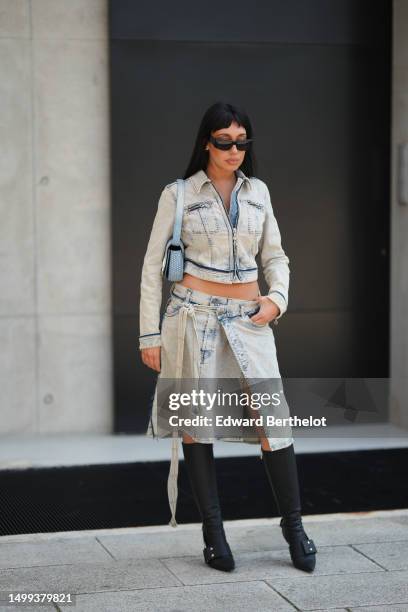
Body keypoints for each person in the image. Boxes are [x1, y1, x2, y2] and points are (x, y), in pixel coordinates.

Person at [138, 102, 317, 573]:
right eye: (224, 141)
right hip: (191, 318)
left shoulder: (259, 192)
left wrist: (277, 298)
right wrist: (148, 334)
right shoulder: (177, 194)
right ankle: (213, 536)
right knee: (197, 426)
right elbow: (151, 269)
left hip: (250, 321)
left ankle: (295, 528)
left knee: (273, 424)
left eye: (241, 142)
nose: (234, 150)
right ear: (206, 143)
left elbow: (276, 256)